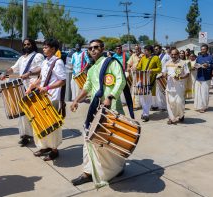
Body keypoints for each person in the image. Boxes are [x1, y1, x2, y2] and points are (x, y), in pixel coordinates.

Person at [70, 39, 127, 187]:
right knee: (89, 137)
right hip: (96, 108)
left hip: (111, 107)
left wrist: (110, 97)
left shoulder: (111, 62)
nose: (93, 50)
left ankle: (116, 168)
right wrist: (76, 99)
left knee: (110, 141)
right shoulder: (91, 68)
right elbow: (87, 86)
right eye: (90, 48)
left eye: (96, 47)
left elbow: (121, 81)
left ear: (102, 48)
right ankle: (88, 172)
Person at [0, 38, 44, 146]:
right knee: (22, 114)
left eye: (28, 44)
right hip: (22, 88)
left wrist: (29, 73)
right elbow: (13, 68)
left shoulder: (38, 56)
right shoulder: (21, 58)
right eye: (24, 44)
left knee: (34, 113)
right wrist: (5, 73)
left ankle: (36, 134)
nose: (26, 46)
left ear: (32, 45)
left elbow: (42, 68)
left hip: (34, 88)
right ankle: (25, 135)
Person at [26, 39, 66, 161]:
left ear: (53, 49)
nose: (43, 49)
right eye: (43, 47)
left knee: (52, 125)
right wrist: (32, 86)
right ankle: (44, 147)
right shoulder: (45, 61)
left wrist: (47, 87)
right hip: (43, 97)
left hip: (52, 97)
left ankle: (54, 150)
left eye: (46, 47)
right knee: (41, 123)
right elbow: (42, 78)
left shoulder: (58, 62)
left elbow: (62, 81)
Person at [163, 49, 189, 124]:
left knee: (179, 102)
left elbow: (187, 73)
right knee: (170, 103)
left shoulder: (183, 63)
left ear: (178, 55)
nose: (173, 56)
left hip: (179, 87)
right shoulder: (167, 63)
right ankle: (172, 118)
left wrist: (180, 77)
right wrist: (164, 74)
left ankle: (181, 115)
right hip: (170, 87)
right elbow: (163, 72)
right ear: (170, 55)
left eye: (175, 54)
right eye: (172, 54)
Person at [136, 45, 162, 121]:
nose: (144, 52)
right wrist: (134, 68)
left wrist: (152, 70)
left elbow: (160, 69)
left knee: (147, 98)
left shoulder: (156, 58)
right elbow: (139, 67)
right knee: (142, 97)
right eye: (144, 50)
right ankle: (145, 112)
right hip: (142, 80)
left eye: (146, 50)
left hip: (151, 81)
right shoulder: (143, 58)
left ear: (150, 51)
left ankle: (146, 114)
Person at [194, 44, 213, 113]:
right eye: (201, 49)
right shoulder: (199, 57)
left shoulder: (211, 57)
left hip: (206, 78)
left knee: (204, 93)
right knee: (198, 93)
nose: (202, 50)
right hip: (199, 77)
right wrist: (196, 66)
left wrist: (208, 65)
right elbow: (196, 64)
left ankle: (203, 107)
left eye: (204, 49)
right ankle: (198, 106)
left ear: (207, 50)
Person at [127, 45, 144, 109]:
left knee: (140, 89)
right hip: (134, 74)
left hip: (141, 74)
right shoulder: (133, 55)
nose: (136, 50)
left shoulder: (143, 55)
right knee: (134, 89)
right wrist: (128, 68)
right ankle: (135, 104)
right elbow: (129, 64)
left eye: (138, 49)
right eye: (135, 49)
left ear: (140, 49)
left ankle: (140, 104)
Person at [154, 45, 170, 110]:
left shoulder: (166, 56)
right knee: (157, 92)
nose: (155, 50)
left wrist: (166, 73)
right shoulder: (154, 57)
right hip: (155, 76)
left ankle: (164, 106)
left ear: (160, 49)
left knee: (163, 91)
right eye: (155, 49)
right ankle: (157, 105)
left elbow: (169, 64)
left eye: (157, 49)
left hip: (163, 76)